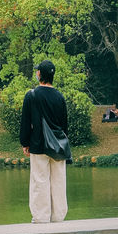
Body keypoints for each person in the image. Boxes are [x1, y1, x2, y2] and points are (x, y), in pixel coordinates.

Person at [19, 59, 70, 223]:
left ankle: (41, 217)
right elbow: (64, 125)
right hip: (58, 146)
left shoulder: (32, 95)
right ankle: (58, 216)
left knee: (39, 181)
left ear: (39, 74)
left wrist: (24, 143)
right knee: (59, 182)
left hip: (38, 144)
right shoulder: (59, 97)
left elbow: (26, 122)